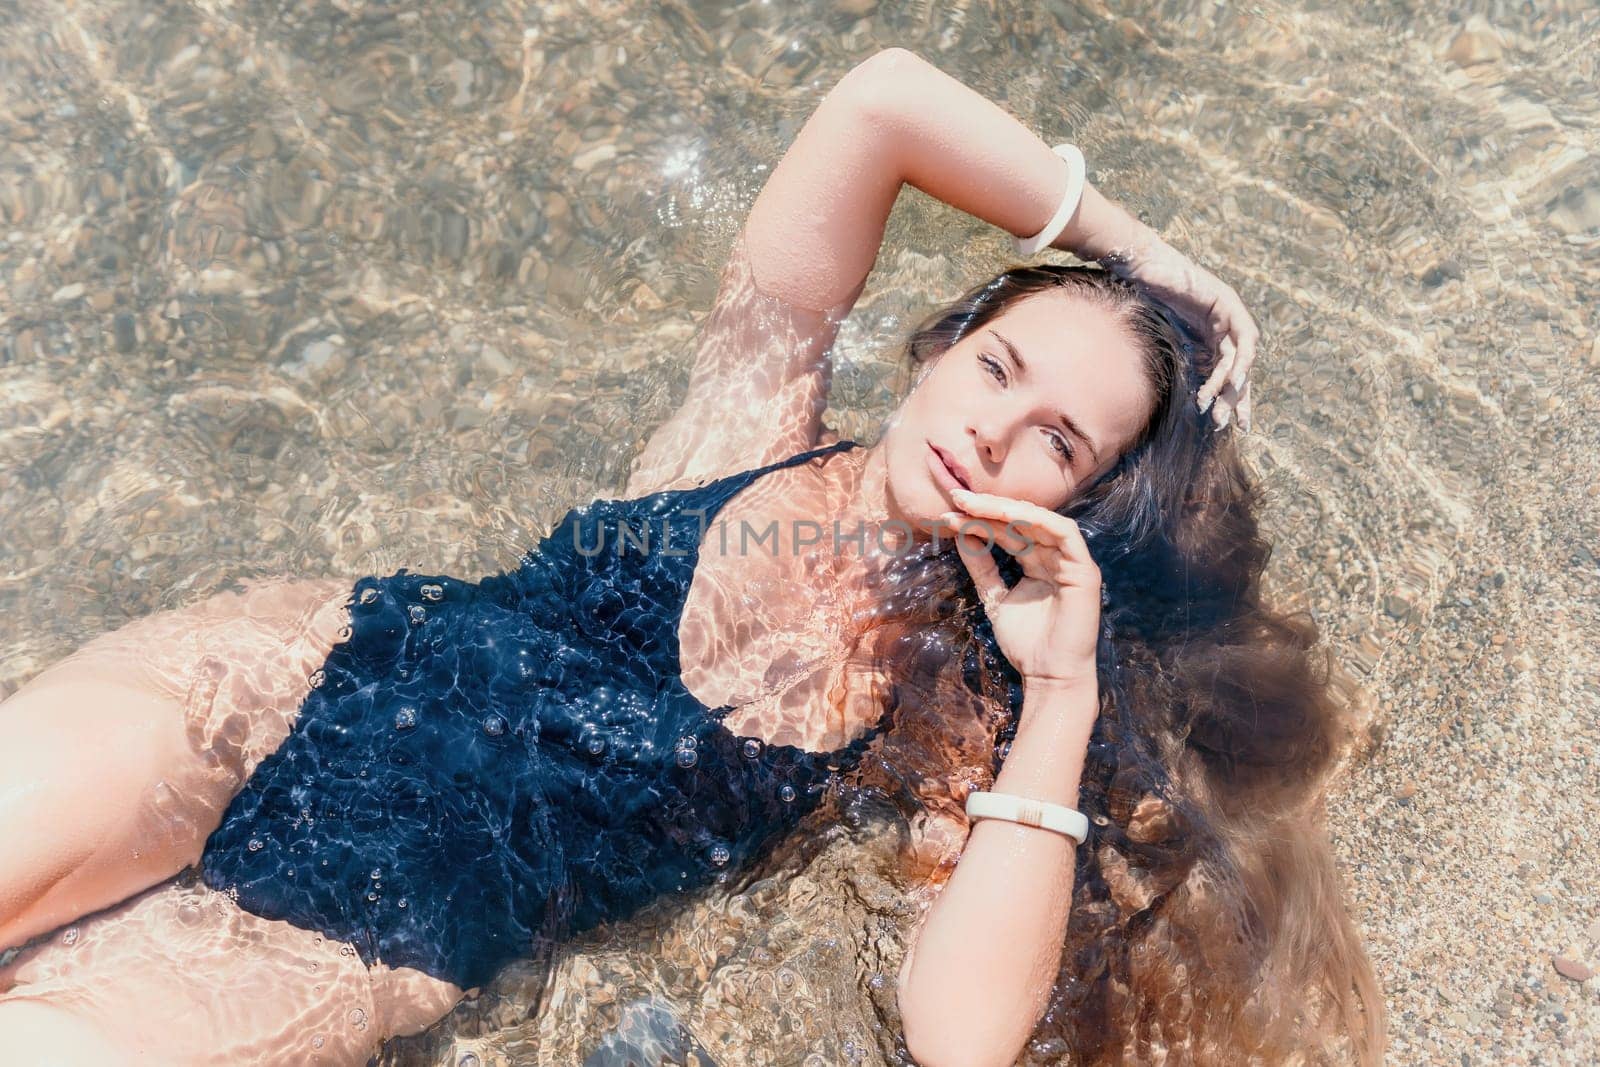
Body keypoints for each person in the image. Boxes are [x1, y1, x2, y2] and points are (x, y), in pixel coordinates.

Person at [0, 47, 1382, 1066]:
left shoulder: (949, 718)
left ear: (1078, 509)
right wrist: (1148, 262)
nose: (992, 429)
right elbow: (882, 101)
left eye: (1057, 442)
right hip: (275, 685)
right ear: (937, 348)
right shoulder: (753, 416)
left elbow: (959, 1040)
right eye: (996, 364)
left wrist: (1063, 698)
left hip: (364, 933)